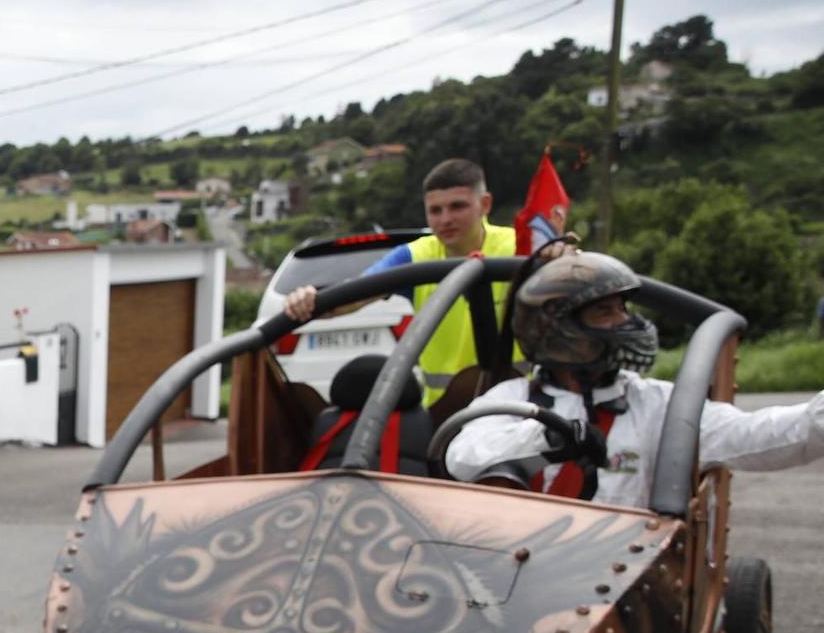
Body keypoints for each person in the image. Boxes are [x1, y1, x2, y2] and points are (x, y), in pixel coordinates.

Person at [445, 250, 824, 505]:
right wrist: (549, 437)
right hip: (525, 574)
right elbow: (462, 458)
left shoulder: (657, 402)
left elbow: (759, 436)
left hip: (626, 584)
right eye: (605, 312)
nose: (625, 323)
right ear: (556, 328)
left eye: (623, 310)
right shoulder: (511, 398)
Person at [283, 158, 519, 403]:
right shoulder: (413, 257)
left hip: (520, 406)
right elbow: (353, 296)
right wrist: (308, 300)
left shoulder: (519, 246)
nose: (445, 219)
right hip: (446, 414)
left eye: (457, 206)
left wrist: (560, 252)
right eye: (435, 210)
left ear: (485, 204)